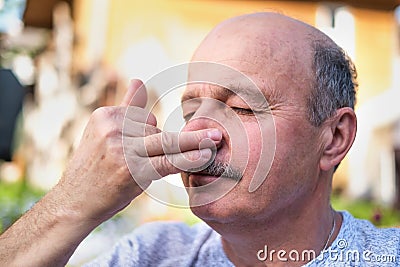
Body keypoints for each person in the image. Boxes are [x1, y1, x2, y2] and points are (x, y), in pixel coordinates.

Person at [0, 12, 399, 267]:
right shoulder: (152, 255)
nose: (193, 134)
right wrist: (73, 205)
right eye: (190, 111)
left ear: (334, 138)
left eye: (242, 108)